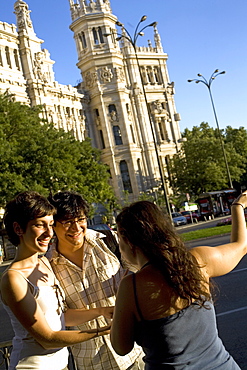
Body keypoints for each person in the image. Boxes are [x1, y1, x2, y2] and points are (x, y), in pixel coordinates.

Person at [110, 192, 247, 369]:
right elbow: (241, 246)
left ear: (128, 242)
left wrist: (119, 317)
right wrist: (237, 207)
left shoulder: (132, 286)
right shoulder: (198, 260)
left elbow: (121, 347)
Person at [0, 191, 112, 370]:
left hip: (61, 364)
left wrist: (101, 311)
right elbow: (47, 339)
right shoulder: (14, 278)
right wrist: (105, 331)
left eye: (51, 225)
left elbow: (61, 317)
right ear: (18, 229)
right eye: (40, 225)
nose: (49, 233)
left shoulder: (44, 262)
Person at [47, 191, 144, 370]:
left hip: (134, 352)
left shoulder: (109, 241)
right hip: (91, 361)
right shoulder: (47, 266)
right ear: (53, 225)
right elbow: (61, 316)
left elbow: (138, 276)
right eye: (67, 222)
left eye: (80, 219)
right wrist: (100, 311)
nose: (76, 228)